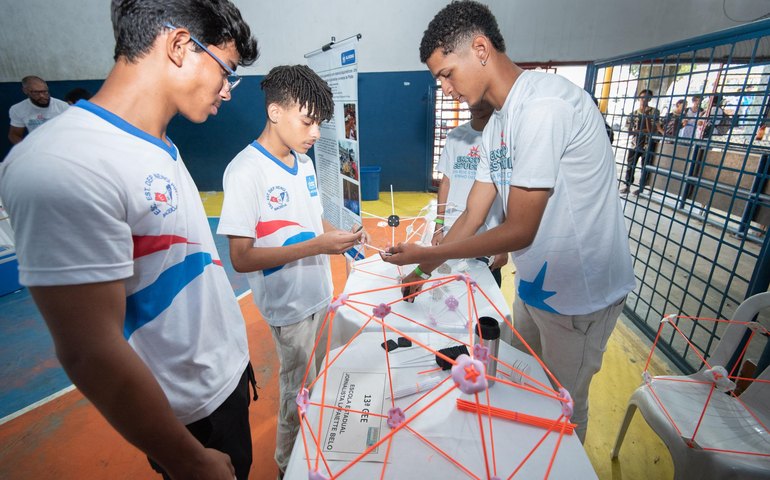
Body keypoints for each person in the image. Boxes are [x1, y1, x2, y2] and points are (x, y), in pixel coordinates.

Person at [0, 2, 259, 479]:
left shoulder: (157, 143)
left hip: (224, 379)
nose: (227, 90)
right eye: (226, 71)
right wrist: (189, 460)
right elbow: (89, 352)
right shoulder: (62, 164)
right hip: (191, 417)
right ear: (179, 45)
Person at [382, 0, 635, 443]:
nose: (446, 89)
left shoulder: (543, 107)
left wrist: (430, 254)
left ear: (480, 49)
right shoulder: (498, 124)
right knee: (521, 389)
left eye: (447, 74)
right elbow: (473, 212)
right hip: (538, 288)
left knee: (562, 409)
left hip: (580, 296)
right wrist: (423, 267)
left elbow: (520, 228)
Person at [216, 64, 362, 477]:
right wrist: (318, 246)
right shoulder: (245, 171)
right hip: (290, 308)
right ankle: (287, 467)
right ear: (276, 112)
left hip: (320, 295)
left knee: (320, 385)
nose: (315, 132)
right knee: (296, 396)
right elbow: (242, 258)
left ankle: (314, 452)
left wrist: (345, 238)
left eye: (320, 123)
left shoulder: (304, 163)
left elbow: (315, 223)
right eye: (308, 121)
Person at [433, 100, 507, 286]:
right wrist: (439, 226)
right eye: (473, 101)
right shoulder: (455, 136)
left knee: (484, 295)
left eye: (483, 101)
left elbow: (509, 192)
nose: (477, 105)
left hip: (489, 235)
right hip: (453, 229)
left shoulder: (503, 138)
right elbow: (446, 182)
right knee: (449, 290)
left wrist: (504, 245)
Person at [7, 75, 69, 144]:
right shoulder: (18, 109)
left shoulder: (63, 106)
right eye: (36, 92)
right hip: (35, 145)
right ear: (25, 91)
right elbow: (14, 135)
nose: (42, 96)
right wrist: (27, 147)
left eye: (45, 91)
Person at [621, 89, 659, 195]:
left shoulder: (654, 112)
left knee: (645, 166)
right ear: (639, 98)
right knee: (630, 165)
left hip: (648, 144)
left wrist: (638, 130)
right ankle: (627, 186)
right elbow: (629, 131)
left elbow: (653, 129)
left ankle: (641, 188)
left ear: (650, 99)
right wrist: (641, 131)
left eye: (647, 98)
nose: (644, 100)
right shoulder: (633, 114)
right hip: (635, 143)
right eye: (642, 97)